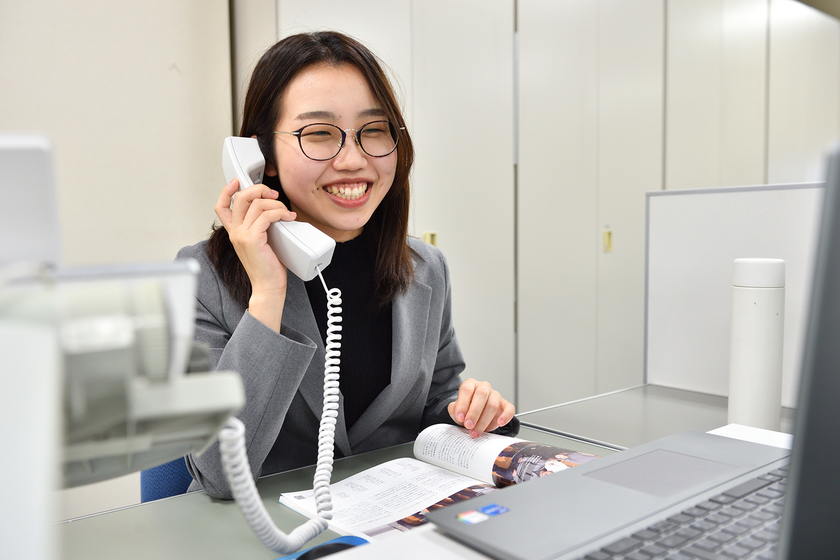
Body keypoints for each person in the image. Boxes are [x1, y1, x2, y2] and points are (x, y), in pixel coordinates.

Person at [177, 31, 517, 499]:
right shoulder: (203, 277)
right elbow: (217, 473)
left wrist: (469, 410)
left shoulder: (426, 267)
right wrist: (268, 295)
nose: (353, 160)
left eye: (374, 130)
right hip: (264, 529)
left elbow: (437, 396)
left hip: (394, 519)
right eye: (319, 133)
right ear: (260, 158)